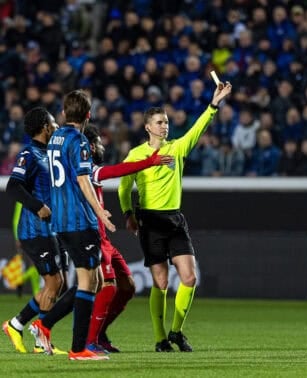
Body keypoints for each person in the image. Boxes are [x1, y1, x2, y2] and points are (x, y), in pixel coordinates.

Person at [118, 81, 232, 352]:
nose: (164, 126)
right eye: (159, 122)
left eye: (166, 122)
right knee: (160, 282)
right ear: (147, 127)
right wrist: (128, 214)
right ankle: (159, 339)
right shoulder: (136, 155)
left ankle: (176, 332)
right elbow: (124, 186)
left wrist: (213, 105)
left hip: (174, 220)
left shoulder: (176, 149)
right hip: (150, 221)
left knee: (189, 278)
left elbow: (198, 129)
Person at [29, 90, 115, 361]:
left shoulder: (54, 138)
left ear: (64, 113)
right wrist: (100, 210)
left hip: (62, 221)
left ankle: (44, 324)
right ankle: (78, 348)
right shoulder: (78, 141)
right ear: (88, 115)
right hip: (78, 219)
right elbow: (83, 180)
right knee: (89, 281)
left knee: (95, 280)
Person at [83, 125, 174, 353]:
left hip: (104, 239)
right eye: (101, 142)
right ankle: (89, 341)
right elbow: (118, 171)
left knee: (127, 286)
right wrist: (149, 162)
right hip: (93, 238)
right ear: (92, 146)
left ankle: (99, 333)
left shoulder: (88, 171)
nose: (104, 146)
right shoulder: (86, 170)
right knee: (107, 287)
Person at [3, 107, 66, 354]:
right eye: (53, 122)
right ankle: (40, 341)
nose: (57, 126)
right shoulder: (29, 153)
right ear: (44, 126)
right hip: (33, 229)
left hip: (48, 229)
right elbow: (13, 186)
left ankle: (16, 325)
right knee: (55, 282)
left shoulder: (49, 153)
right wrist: (37, 206)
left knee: (55, 284)